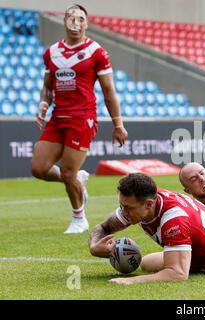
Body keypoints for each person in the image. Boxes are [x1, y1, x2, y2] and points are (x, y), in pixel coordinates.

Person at [30, 4, 128, 234]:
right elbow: (47, 87)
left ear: (87, 23)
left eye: (81, 19)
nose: (76, 23)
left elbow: (108, 91)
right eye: (72, 18)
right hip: (58, 118)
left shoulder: (97, 52)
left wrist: (118, 124)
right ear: (65, 21)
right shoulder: (51, 52)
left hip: (82, 118)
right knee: (38, 168)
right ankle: (78, 180)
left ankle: (79, 218)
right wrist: (44, 104)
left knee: (66, 172)